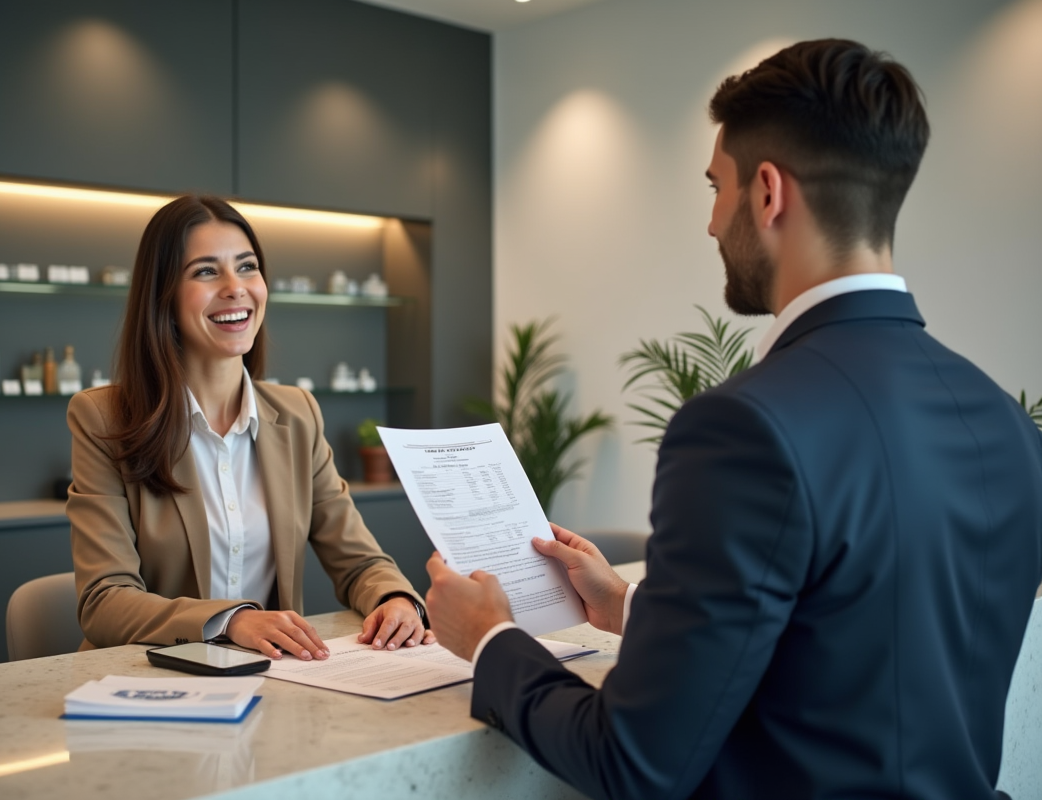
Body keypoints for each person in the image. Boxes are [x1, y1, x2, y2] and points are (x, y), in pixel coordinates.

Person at [424, 39, 1042, 799]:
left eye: (717, 187)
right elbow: (862, 643)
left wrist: (491, 638)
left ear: (769, 193)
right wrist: (628, 604)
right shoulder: (1003, 422)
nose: (712, 223)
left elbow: (634, 762)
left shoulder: (743, 428)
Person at [67, 195, 432, 661]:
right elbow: (105, 600)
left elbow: (359, 560)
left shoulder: (298, 415)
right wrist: (231, 620)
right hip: (149, 679)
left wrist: (394, 600)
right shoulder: (103, 418)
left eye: (247, 267)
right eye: (205, 271)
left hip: (269, 678)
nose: (235, 288)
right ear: (163, 294)